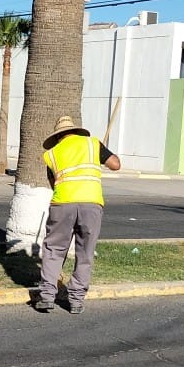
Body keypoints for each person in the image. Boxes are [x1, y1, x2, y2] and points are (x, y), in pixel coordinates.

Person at [36, 116, 121, 314]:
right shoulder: (93, 144)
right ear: (76, 131)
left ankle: (47, 296)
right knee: (85, 252)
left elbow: (54, 184)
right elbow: (115, 164)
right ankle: (76, 300)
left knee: (54, 250)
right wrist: (102, 155)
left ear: (58, 136)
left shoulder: (52, 154)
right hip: (91, 203)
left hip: (62, 203)